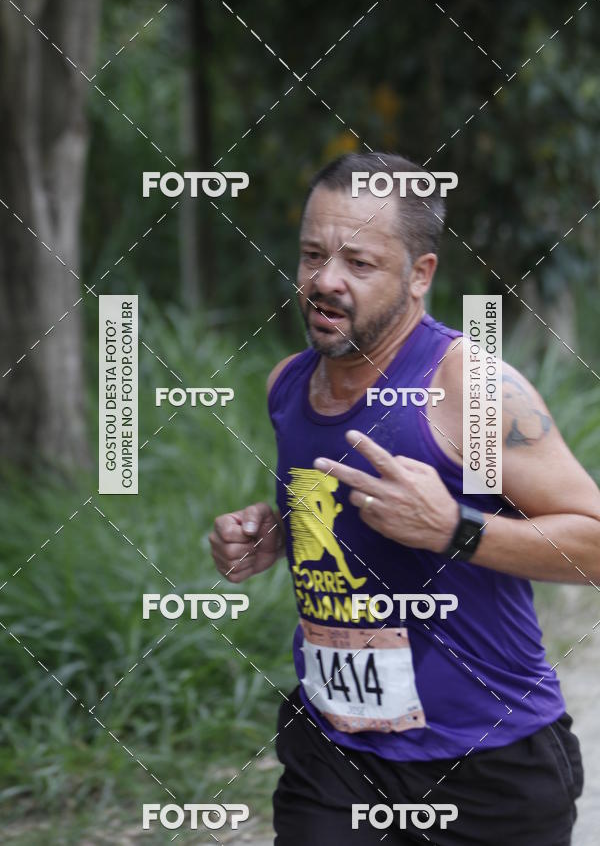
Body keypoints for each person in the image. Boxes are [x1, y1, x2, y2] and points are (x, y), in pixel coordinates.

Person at [208, 152, 596, 844]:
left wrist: (456, 528)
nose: (324, 281)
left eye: (359, 263)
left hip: (489, 763)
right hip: (335, 755)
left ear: (421, 276)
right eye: (311, 255)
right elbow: (336, 513)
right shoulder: (287, 386)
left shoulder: (471, 390)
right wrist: (279, 529)